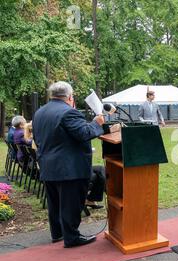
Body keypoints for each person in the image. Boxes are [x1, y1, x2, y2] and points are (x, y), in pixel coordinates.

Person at [33, 81, 118, 248]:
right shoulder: (68, 112)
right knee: (71, 203)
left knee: (55, 203)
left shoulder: (40, 112)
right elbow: (84, 133)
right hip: (69, 168)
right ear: (70, 97)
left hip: (48, 165)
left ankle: (57, 234)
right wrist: (97, 123)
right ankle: (71, 237)